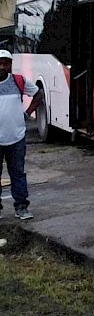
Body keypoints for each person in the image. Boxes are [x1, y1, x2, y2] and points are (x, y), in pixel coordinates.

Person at [0, 49, 44, 220]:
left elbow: (38, 94)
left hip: (16, 138)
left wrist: (27, 114)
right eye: (0, 63)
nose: (3, 67)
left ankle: (21, 207)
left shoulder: (19, 81)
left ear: (11, 65)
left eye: (6, 63)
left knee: (17, 173)